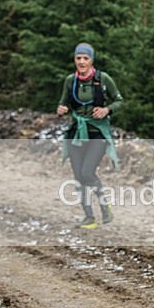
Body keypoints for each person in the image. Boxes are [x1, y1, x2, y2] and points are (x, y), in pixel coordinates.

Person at [57, 43, 123, 229]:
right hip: (76, 133)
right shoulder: (71, 80)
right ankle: (89, 218)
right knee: (78, 176)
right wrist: (61, 109)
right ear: (75, 60)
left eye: (85, 58)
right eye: (78, 58)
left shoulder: (103, 79)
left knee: (87, 172)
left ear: (91, 60)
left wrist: (106, 110)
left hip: (98, 133)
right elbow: (63, 103)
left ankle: (104, 206)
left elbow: (119, 100)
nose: (82, 61)